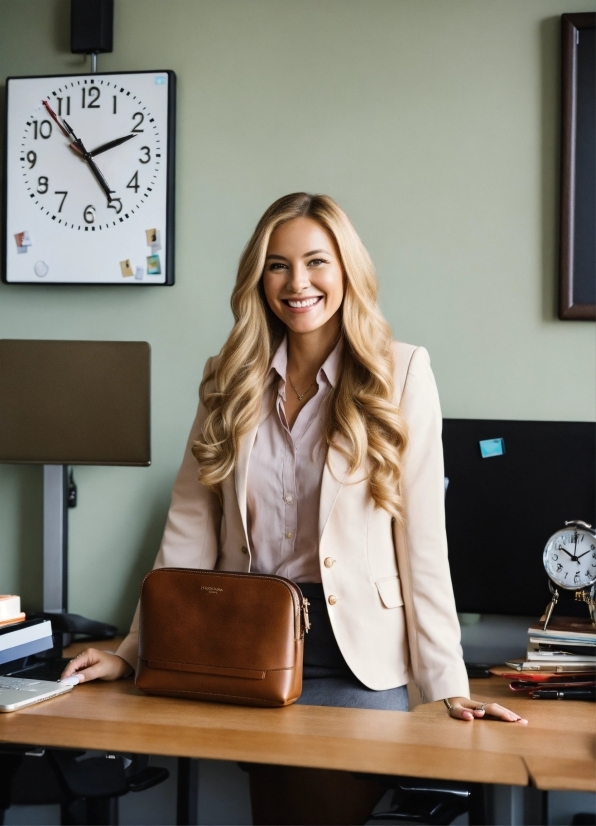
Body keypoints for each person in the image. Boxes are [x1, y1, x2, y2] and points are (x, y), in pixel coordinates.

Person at [62, 192, 527, 824]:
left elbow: (423, 544)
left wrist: (449, 688)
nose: (297, 282)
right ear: (259, 276)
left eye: (316, 261)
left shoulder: (401, 373)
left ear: (346, 270)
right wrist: (133, 649)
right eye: (277, 265)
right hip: (247, 653)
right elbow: (190, 533)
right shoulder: (227, 377)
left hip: (360, 662)